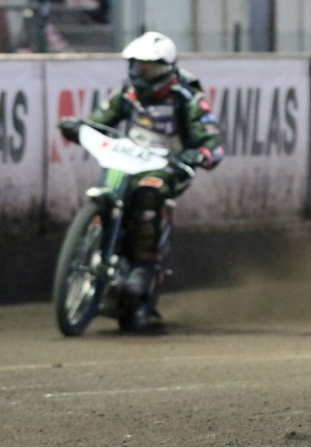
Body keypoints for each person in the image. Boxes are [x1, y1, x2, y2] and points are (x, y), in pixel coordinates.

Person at [58, 31, 223, 325]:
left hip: (169, 165)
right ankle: (101, 240)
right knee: (112, 182)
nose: (141, 74)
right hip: (128, 159)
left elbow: (210, 140)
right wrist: (79, 127)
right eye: (136, 67)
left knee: (148, 193)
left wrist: (199, 154)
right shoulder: (127, 93)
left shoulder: (188, 97)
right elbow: (100, 121)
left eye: (149, 68)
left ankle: (144, 266)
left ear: (168, 68)